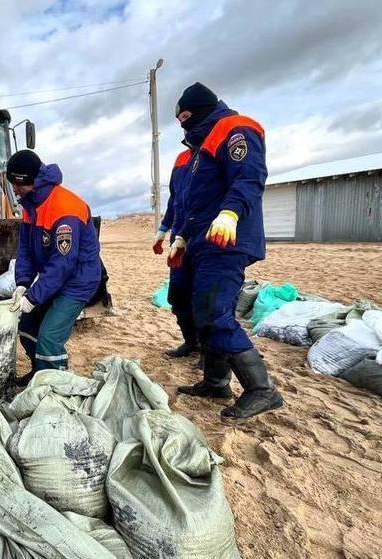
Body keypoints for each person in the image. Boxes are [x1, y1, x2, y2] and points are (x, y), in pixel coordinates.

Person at [168, 82, 283, 423]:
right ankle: (216, 381)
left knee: (215, 312)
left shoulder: (236, 129)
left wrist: (231, 212)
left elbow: (249, 178)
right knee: (199, 308)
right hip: (203, 239)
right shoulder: (201, 146)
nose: (182, 125)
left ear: (200, 110)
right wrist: (183, 236)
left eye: (186, 117)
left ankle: (262, 390)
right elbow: (195, 203)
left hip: (227, 239)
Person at [6, 150, 102, 386]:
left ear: (29, 181)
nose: (14, 190)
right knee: (27, 326)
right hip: (55, 278)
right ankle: (41, 373)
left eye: (16, 184)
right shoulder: (31, 205)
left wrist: (34, 296)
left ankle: (57, 389)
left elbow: (63, 263)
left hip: (78, 281)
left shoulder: (65, 208)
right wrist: (22, 283)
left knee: (49, 337)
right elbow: (26, 249)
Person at [153, 149, 201, 359]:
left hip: (206, 239)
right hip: (179, 242)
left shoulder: (214, 149)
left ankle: (210, 353)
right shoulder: (182, 159)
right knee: (178, 295)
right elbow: (175, 199)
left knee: (205, 299)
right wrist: (163, 229)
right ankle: (191, 342)